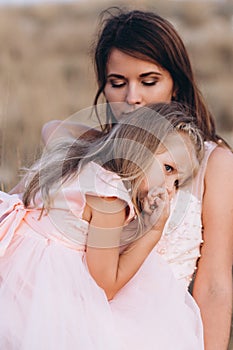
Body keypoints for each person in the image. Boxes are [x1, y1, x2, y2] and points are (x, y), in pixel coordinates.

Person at [39, 8, 233, 350]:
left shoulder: (213, 163)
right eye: (117, 83)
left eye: (148, 81)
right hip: (71, 330)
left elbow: (215, 285)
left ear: (176, 84)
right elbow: (52, 131)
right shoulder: (96, 155)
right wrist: (105, 145)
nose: (132, 98)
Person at [0, 104, 204, 349]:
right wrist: (153, 231)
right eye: (168, 169)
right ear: (136, 148)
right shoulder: (109, 196)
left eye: (178, 182)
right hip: (39, 292)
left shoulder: (72, 162)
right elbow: (105, 286)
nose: (170, 189)